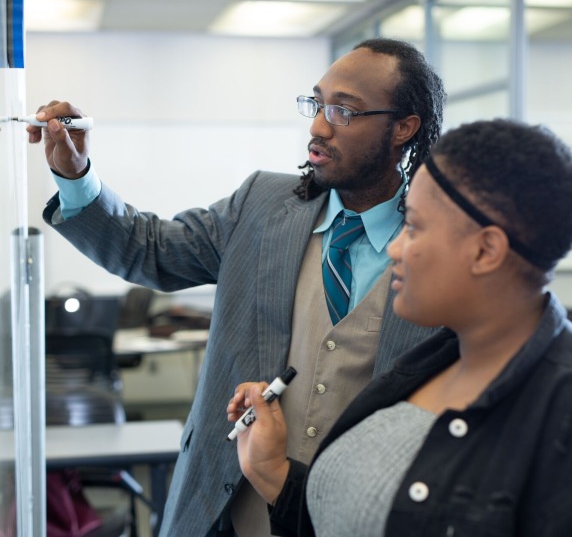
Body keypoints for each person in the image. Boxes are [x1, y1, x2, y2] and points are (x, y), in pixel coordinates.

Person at [31, 38, 446, 536]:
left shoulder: (440, 252)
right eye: (317, 104)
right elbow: (150, 250)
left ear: (404, 128)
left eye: (344, 111)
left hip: (359, 519)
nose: (317, 126)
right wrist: (76, 177)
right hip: (224, 515)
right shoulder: (261, 204)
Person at [232, 118, 572, 537]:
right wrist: (272, 471)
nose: (394, 248)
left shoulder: (558, 417)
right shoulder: (428, 364)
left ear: (485, 250)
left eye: (413, 226)